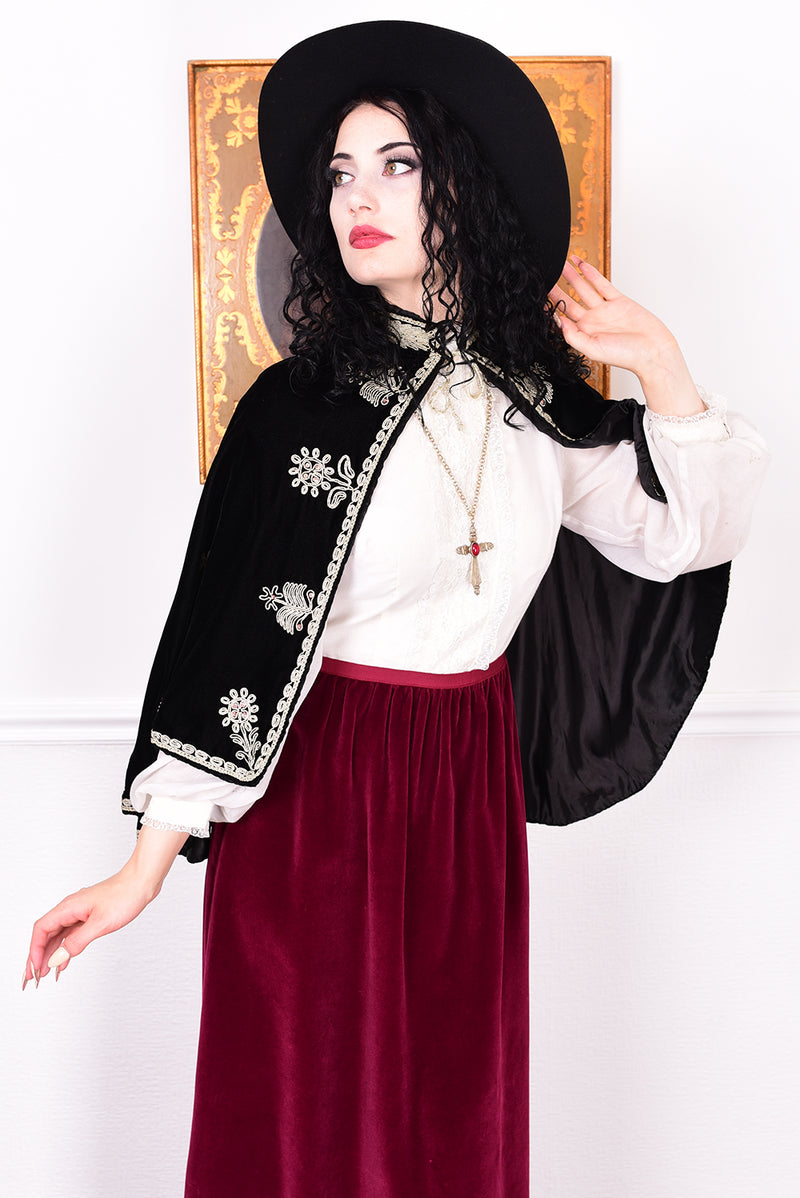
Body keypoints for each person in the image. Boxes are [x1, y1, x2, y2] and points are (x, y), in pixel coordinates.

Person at [24, 21, 768, 1197]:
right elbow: (223, 637)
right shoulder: (291, 408)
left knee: (445, 1116)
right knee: (307, 1119)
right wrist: (143, 867)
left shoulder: (533, 405)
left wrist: (662, 371)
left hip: (464, 784)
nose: (355, 198)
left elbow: (684, 536)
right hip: (317, 795)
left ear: (460, 184)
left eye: (395, 164)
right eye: (338, 173)